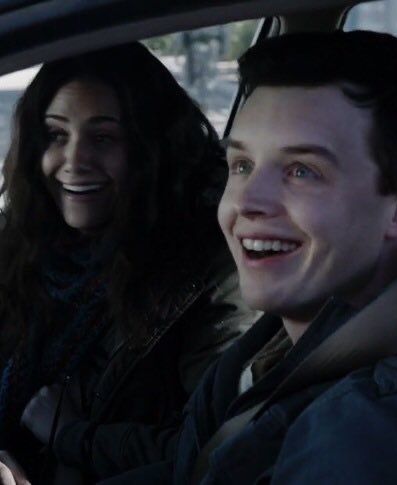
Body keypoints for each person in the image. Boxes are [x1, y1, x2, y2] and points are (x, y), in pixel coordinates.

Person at [101, 30, 397, 484]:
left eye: (301, 171)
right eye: (242, 165)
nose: (247, 201)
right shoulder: (275, 343)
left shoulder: (371, 436)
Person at [0, 42, 255, 484]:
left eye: (103, 138)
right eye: (57, 135)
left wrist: (73, 436)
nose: (74, 161)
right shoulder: (21, 240)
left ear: (151, 149)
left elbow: (212, 450)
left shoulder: (208, 273)